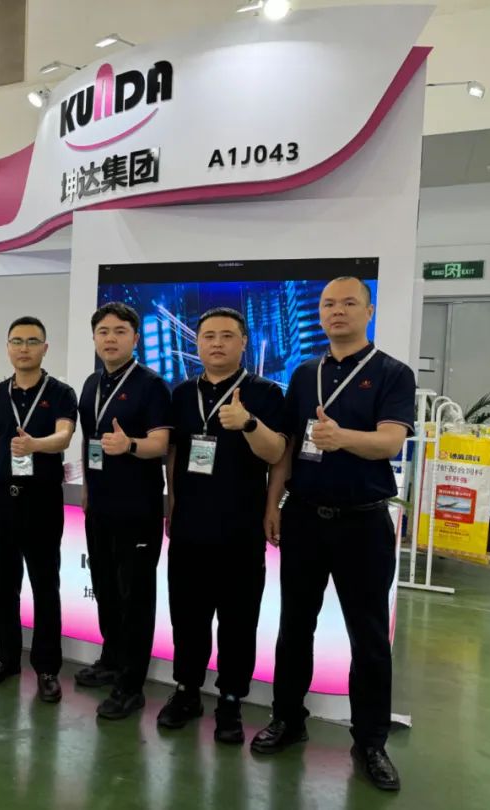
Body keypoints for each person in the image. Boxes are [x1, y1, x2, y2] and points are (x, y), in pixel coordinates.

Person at [250, 277, 415, 793]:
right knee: (294, 626)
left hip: (363, 522)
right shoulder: (304, 374)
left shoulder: (392, 373)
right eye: (327, 304)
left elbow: (390, 442)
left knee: (369, 637)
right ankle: (287, 718)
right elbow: (288, 446)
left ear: (369, 310)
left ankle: (370, 742)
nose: (336, 311)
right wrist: (273, 502)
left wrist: (341, 437)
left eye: (348, 303)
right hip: (303, 517)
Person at [158, 308, 286, 744]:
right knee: (187, 616)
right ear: (197, 343)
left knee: (238, 620)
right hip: (189, 527)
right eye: (208, 335)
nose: (216, 343)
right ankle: (186, 690)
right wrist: (172, 503)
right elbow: (175, 452)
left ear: (244, 342)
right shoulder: (181, 393)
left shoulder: (265, 392)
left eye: (227, 335)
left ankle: (231, 699)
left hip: (240, 527)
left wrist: (248, 423)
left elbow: (277, 453)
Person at [76, 302, 173, 720]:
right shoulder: (91, 384)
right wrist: (87, 488)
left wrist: (129, 444)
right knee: (106, 587)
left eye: (119, 331)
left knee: (135, 597)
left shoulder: (152, 385)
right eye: (103, 331)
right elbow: (90, 441)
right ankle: (111, 659)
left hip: (137, 508)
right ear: (94, 338)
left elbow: (161, 443)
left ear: (135, 338)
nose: (110, 338)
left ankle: (131, 685)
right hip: (99, 505)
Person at [0, 316, 77, 703]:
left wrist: (36, 445)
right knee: (5, 584)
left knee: (45, 585)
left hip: (42, 499)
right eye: (16, 341)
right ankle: (6, 658)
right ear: (8, 347)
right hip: (3, 497)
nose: (24, 348)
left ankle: (47, 667)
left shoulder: (61, 392)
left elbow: (64, 435)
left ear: (45, 348)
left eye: (32, 341)